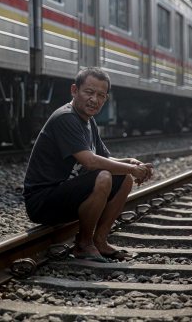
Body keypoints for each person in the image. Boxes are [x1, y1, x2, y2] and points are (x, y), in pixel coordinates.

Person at [23, 67, 154, 262]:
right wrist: (133, 169)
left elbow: (105, 159)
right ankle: (83, 244)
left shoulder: (88, 121)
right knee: (103, 177)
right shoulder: (66, 118)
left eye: (100, 95)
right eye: (89, 92)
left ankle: (99, 241)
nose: (94, 99)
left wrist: (131, 163)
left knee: (124, 178)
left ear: (106, 99)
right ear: (74, 91)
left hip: (64, 194)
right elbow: (91, 162)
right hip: (43, 201)